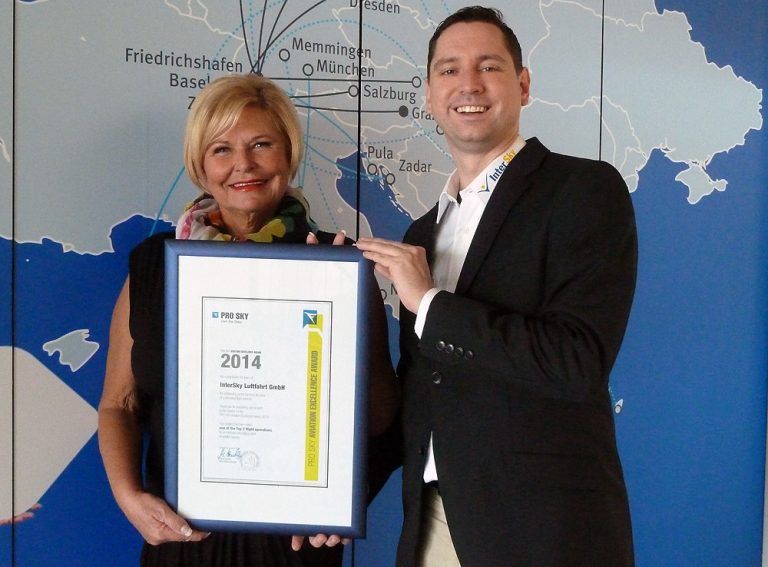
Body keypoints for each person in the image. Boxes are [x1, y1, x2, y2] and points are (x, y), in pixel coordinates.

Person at [355, 6, 637, 566]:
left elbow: (577, 361)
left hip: (543, 533)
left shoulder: (583, 191)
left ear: (523, 86)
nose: (469, 84)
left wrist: (430, 304)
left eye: (489, 66)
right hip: (434, 527)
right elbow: (421, 393)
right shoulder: (422, 234)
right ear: (430, 95)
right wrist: (335, 501)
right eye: (449, 70)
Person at [98, 74, 396, 567]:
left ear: (289, 155)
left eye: (262, 144)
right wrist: (129, 497)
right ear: (200, 166)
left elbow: (381, 418)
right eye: (222, 149)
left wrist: (342, 305)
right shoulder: (154, 264)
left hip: (293, 547)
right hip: (180, 544)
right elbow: (119, 403)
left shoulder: (336, 266)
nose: (244, 164)